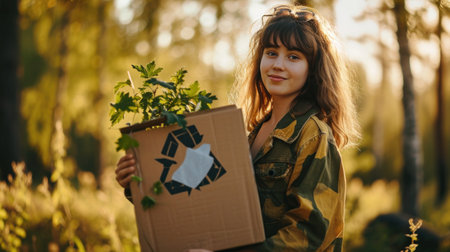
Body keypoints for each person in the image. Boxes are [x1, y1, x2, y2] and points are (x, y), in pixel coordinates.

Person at [116, 4, 359, 251]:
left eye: (293, 56)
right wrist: (138, 180)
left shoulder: (312, 135)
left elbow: (310, 235)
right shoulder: (252, 133)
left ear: (313, 68)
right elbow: (202, 199)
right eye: (271, 52)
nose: (278, 64)